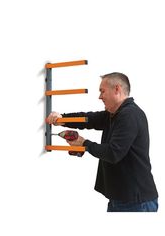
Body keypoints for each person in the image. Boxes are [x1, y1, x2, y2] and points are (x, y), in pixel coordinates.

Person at [47, 72, 158, 212]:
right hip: (121, 198)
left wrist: (84, 143)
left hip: (136, 201)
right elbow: (89, 119)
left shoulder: (130, 115)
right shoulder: (114, 114)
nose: (100, 96)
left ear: (117, 89)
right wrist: (62, 119)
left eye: (102, 91)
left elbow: (113, 153)